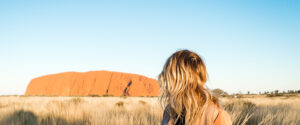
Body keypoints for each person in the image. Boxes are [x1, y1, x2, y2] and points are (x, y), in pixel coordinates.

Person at [159, 50, 232, 125]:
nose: (162, 77)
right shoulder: (169, 112)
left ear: (181, 79)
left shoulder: (215, 115)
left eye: (168, 74)